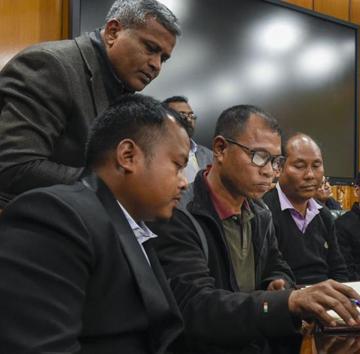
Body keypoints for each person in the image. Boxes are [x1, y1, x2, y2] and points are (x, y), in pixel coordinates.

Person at [149, 105, 360, 354]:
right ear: (220, 149)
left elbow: (276, 264)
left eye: (275, 161)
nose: (269, 171)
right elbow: (196, 307)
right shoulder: (178, 211)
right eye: (259, 156)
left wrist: (277, 281)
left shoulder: (260, 213)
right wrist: (285, 302)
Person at [0, 95, 188, 353]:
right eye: (178, 165)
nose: (184, 182)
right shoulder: (55, 216)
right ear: (128, 155)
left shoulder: (137, 229)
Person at [0, 0, 180, 208]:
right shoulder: (50, 65)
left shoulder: (122, 87)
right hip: (28, 226)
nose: (156, 65)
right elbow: (14, 166)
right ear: (113, 32)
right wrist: (111, 185)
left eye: (163, 58)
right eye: (150, 48)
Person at [262, 133, 348, 284]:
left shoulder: (324, 215)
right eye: (300, 166)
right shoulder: (262, 212)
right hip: (286, 299)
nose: (310, 175)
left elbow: (339, 270)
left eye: (316, 166)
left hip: (326, 298)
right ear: (279, 168)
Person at [162, 96, 212, 207]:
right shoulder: (157, 156)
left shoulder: (209, 155)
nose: (189, 119)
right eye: (182, 115)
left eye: (191, 115)